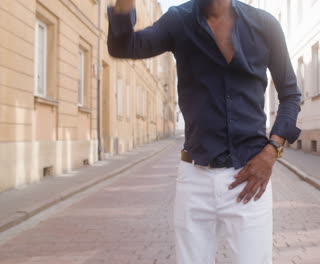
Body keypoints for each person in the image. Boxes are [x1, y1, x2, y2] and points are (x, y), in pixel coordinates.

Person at [107, 0, 301, 263]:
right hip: (195, 177)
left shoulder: (265, 24)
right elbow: (123, 46)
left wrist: (271, 152)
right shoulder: (179, 20)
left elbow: (290, 94)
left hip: (250, 177)